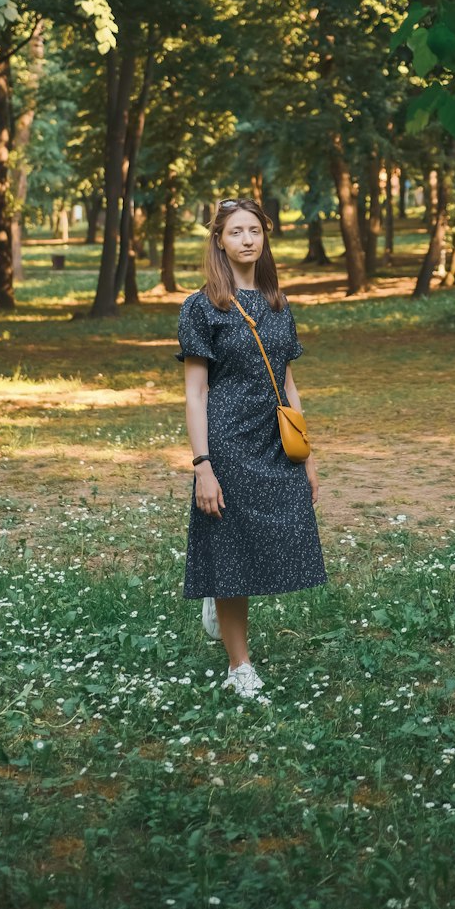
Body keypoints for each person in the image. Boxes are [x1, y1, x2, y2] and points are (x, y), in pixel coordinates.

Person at [176, 197, 326, 699]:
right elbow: (195, 394)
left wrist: (306, 453)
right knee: (231, 550)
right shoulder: (202, 307)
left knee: (286, 532)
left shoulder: (279, 304)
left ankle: (222, 596)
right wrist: (203, 466)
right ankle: (239, 666)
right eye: (236, 231)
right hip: (228, 442)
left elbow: (289, 381)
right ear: (219, 240)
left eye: (255, 231)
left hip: (274, 440)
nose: (247, 239)